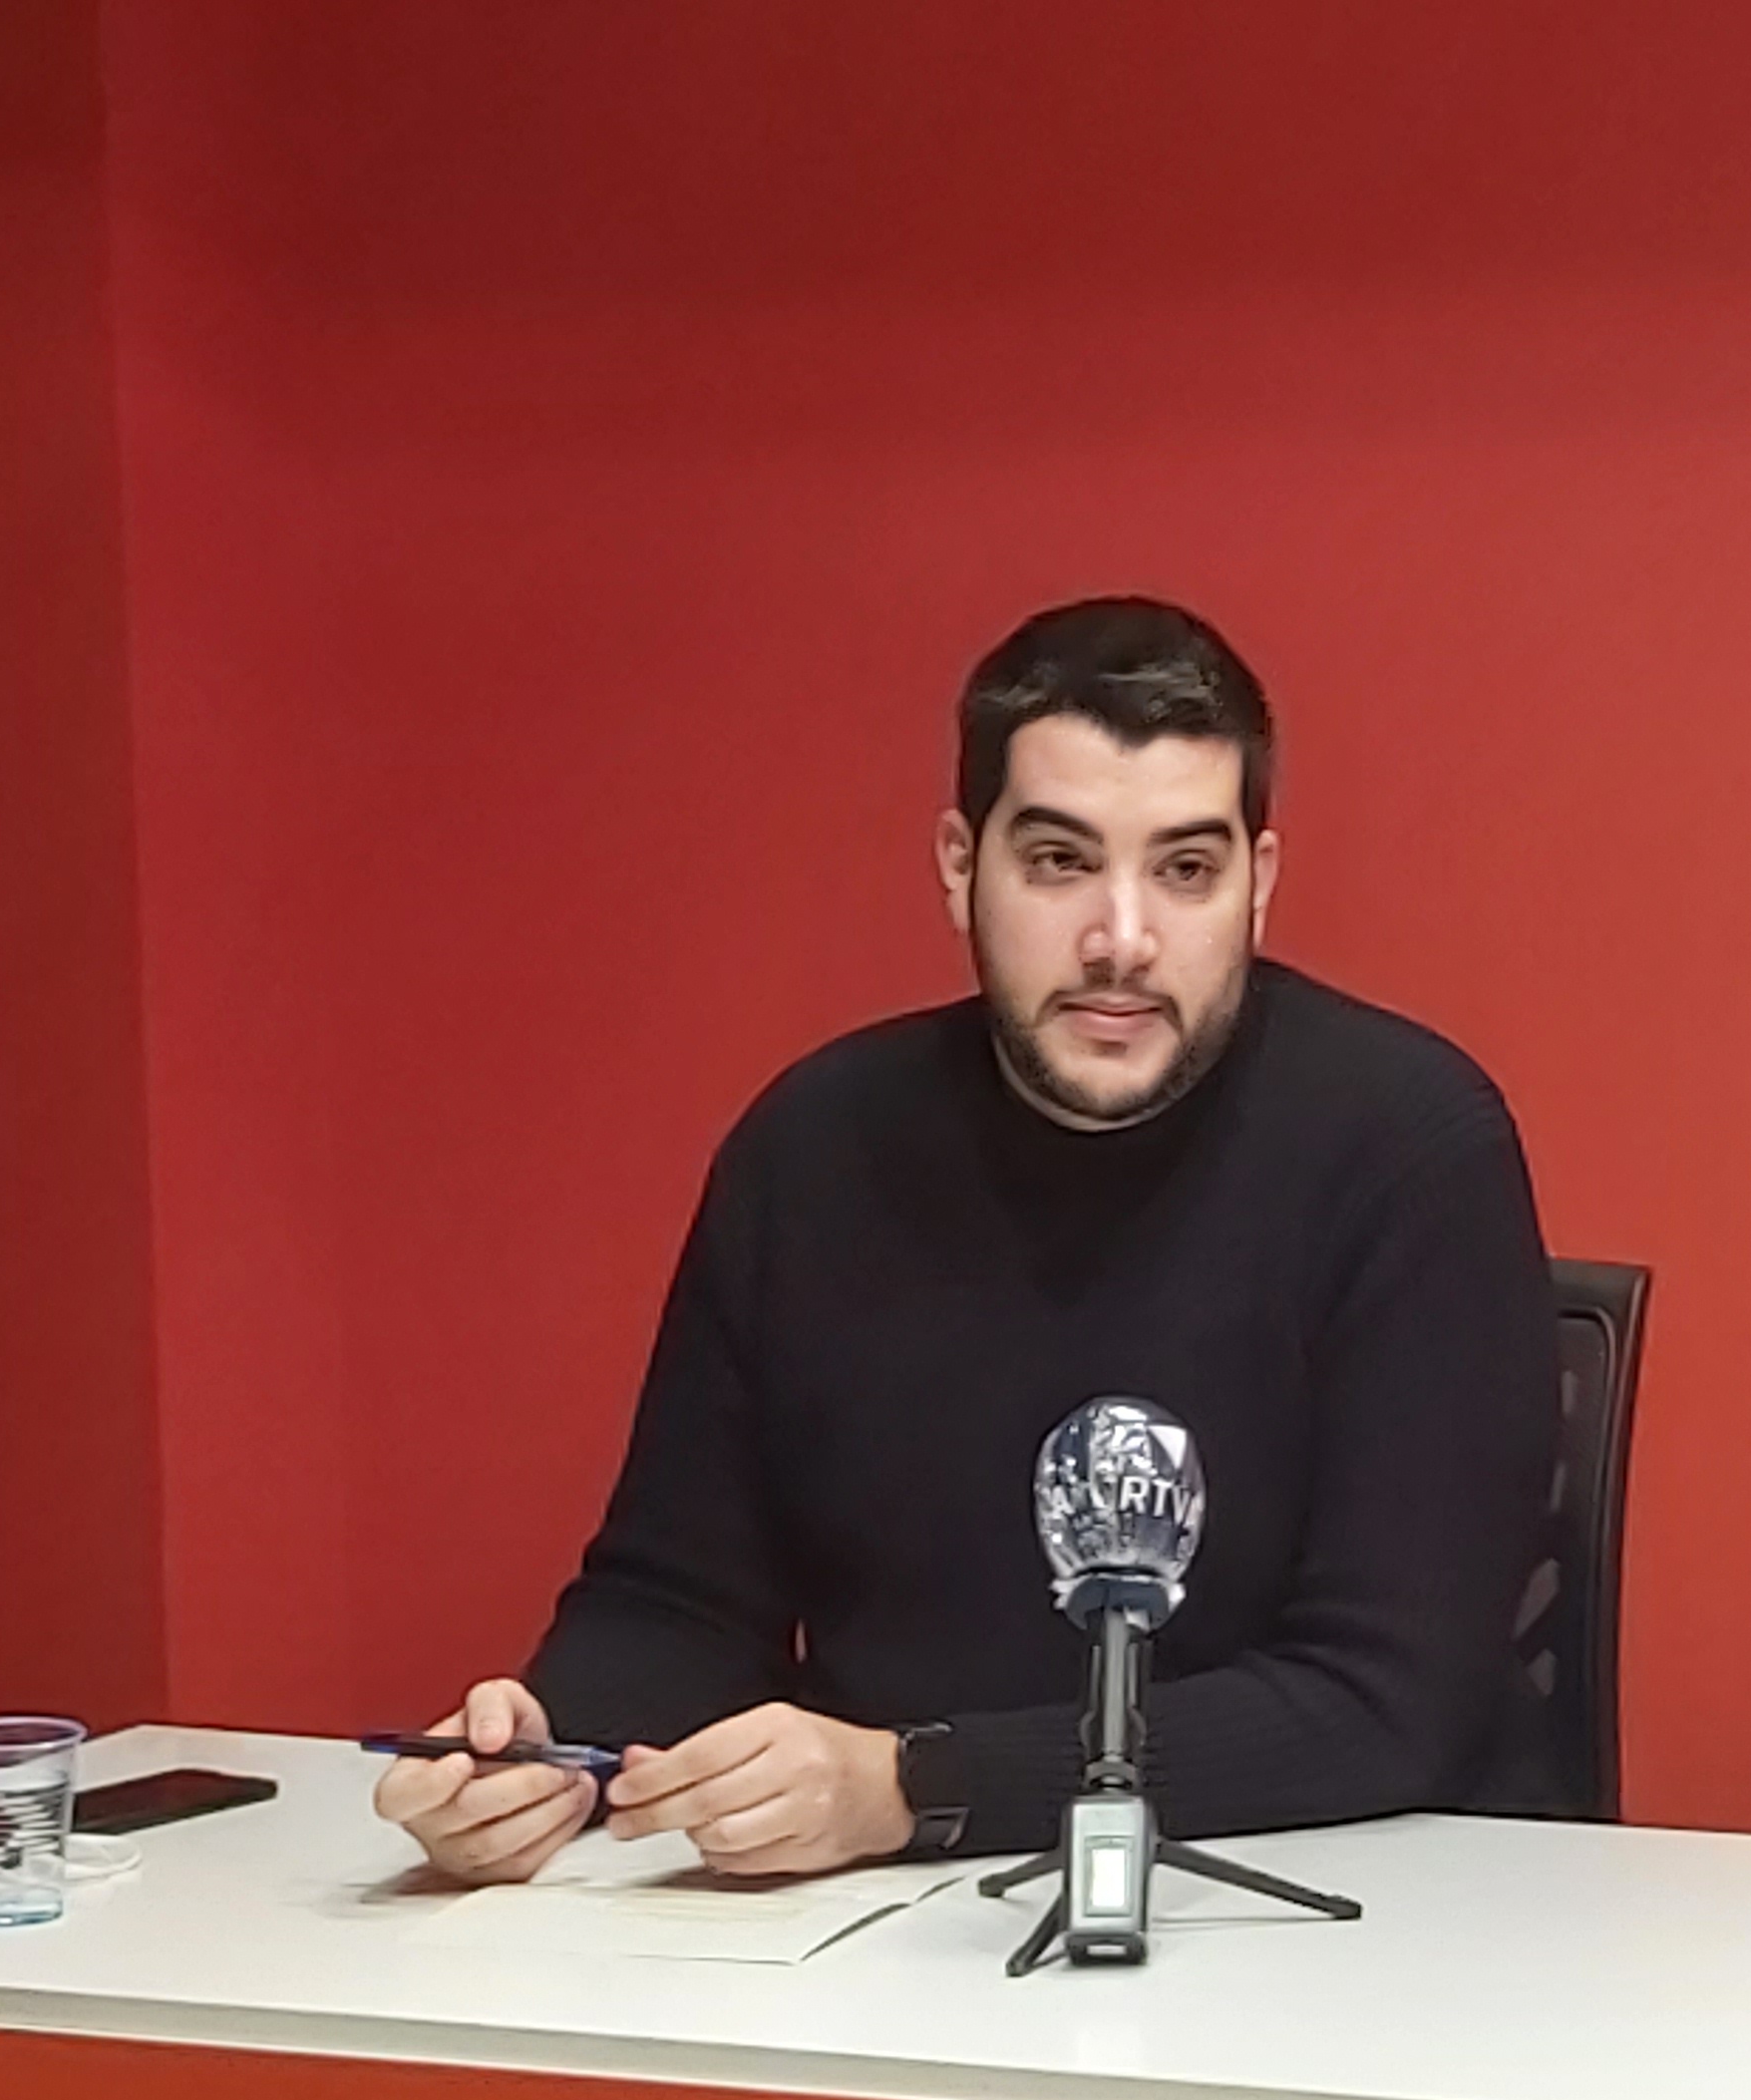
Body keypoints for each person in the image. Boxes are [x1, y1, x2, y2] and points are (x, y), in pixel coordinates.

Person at [378, 597, 1560, 1883]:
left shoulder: (1407, 1146)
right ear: (960, 865)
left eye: (1185, 869)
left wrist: (916, 1786)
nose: (1121, 939)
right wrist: (550, 1751)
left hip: (1349, 1912)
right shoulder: (816, 1147)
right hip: (877, 1925)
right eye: (1058, 861)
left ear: (1259, 885)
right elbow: (680, 1601)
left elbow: (1393, 1702)